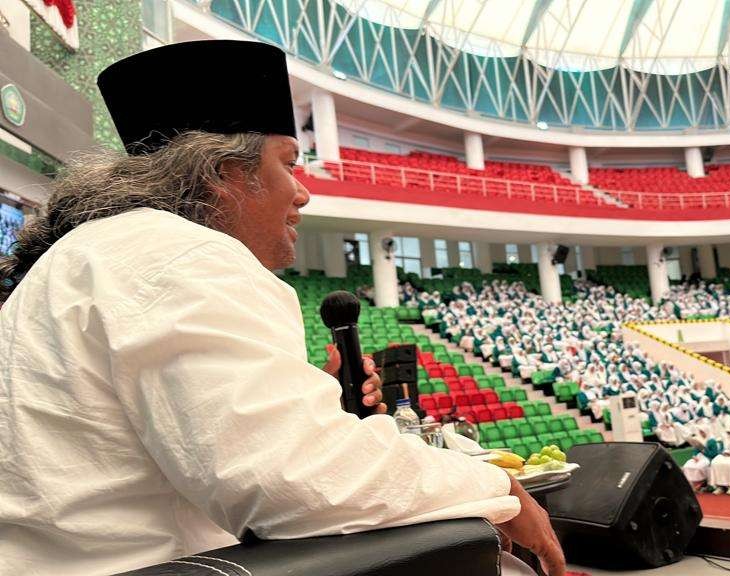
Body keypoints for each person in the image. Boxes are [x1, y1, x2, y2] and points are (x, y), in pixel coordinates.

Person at [0, 41, 563, 576]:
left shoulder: (102, 252)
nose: (302, 192)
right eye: (288, 163)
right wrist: (490, 487)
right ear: (224, 174)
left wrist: (307, 398)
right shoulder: (183, 253)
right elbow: (293, 485)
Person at [682, 424, 720, 491]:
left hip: (707, 458)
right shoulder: (699, 439)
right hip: (698, 457)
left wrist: (704, 451)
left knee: (699, 467)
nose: (701, 434)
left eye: (702, 432)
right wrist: (694, 456)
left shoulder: (712, 441)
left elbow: (713, 454)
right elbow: (696, 450)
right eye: (700, 432)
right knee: (687, 465)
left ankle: (700, 482)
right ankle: (691, 484)